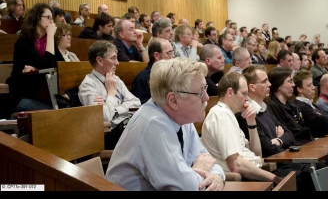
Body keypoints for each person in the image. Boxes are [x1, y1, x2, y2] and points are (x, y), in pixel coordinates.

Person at [106, 58, 225, 191]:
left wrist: (217, 176)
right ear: (173, 100)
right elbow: (187, 188)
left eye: (206, 89)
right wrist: (199, 170)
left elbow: (207, 159)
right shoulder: (153, 124)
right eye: (199, 92)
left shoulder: (182, 117)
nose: (206, 97)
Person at [238, 65, 317, 191]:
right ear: (252, 87)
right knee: (310, 175)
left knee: (322, 166)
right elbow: (266, 147)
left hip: (282, 161)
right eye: (264, 81)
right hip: (271, 167)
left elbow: (289, 135)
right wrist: (278, 139)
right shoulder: (246, 114)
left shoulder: (265, 107)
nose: (269, 84)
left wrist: (278, 139)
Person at [201, 71, 283, 185]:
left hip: (255, 171)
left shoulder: (229, 115)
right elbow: (236, 165)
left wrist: (251, 123)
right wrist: (274, 178)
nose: (247, 99)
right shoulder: (220, 115)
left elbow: (257, 155)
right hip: (243, 180)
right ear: (230, 92)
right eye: (244, 94)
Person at [78, 41, 141, 149]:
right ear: (100, 60)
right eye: (113, 58)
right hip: (110, 135)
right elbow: (105, 117)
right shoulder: (87, 86)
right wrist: (111, 93)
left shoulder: (115, 78)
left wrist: (115, 111)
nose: (117, 63)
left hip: (127, 124)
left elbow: (136, 103)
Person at [7, 3, 58, 113]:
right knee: (55, 114)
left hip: (43, 94)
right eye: (48, 17)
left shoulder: (49, 42)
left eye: (52, 18)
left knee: (70, 107)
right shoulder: (24, 42)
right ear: (37, 18)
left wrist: (37, 68)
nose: (51, 21)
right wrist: (50, 35)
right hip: (22, 96)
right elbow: (47, 65)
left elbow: (58, 63)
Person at [266, 67, 314, 145]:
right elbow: (288, 134)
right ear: (279, 86)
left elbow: (303, 127)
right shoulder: (272, 106)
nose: (293, 85)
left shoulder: (292, 105)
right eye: (289, 81)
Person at [293, 69, 328, 138]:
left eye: (312, 84)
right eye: (309, 85)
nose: (313, 87)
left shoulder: (312, 104)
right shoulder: (300, 106)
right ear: (300, 89)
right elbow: (325, 122)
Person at [131, 37, 174, 104]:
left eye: (172, 52)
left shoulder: (172, 74)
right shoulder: (142, 78)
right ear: (156, 56)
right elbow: (144, 106)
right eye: (169, 53)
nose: (173, 56)